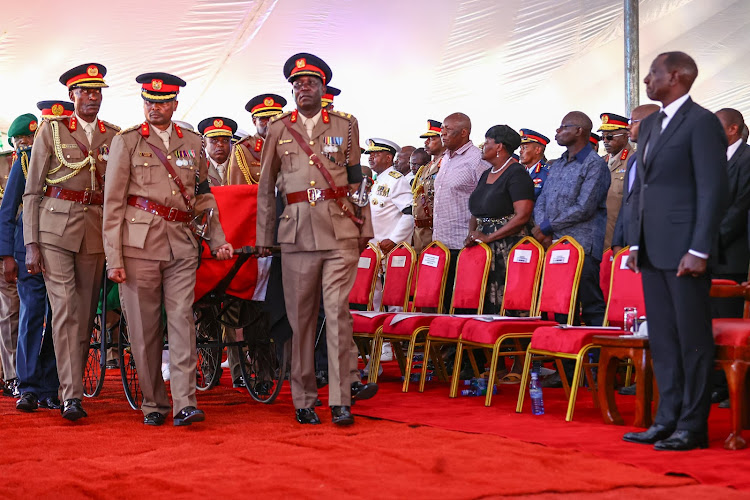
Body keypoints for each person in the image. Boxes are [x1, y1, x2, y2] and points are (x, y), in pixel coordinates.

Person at [103, 72, 233, 427]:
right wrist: (113, 257)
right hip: (137, 245)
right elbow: (113, 204)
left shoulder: (192, 141)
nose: (154, 108)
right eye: (148, 101)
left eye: (161, 102)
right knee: (145, 330)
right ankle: (153, 404)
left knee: (182, 320)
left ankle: (185, 402)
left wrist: (217, 239)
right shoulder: (126, 142)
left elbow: (204, 196)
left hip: (181, 242)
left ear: (175, 104)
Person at [256, 53, 373, 426]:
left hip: (339, 230)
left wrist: (364, 230)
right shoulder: (277, 128)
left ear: (323, 89)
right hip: (295, 235)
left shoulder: (346, 125)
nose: (303, 88)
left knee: (337, 314)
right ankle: (304, 398)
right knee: (301, 319)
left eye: (311, 83)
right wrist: (264, 236)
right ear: (291, 90)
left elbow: (357, 181)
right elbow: (264, 189)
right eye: (297, 83)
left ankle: (341, 400)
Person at [623, 51, 728, 451]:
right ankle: (665, 420)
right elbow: (642, 189)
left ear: (678, 76)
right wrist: (636, 242)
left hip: (686, 249)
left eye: (654, 74)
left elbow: (713, 189)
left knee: (692, 339)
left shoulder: (701, 122)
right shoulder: (650, 125)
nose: (647, 80)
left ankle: (692, 426)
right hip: (652, 247)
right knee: (663, 339)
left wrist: (700, 248)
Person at [23, 63, 119, 421]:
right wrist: (31, 242)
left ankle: (70, 388)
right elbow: (32, 191)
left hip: (93, 230)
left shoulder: (114, 135)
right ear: (72, 96)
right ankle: (71, 397)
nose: (92, 97)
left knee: (82, 315)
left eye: (97, 92)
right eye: (85, 92)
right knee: (64, 310)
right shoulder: (54, 131)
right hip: (54, 229)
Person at [1, 104, 71, 411]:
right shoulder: (26, 160)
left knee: (59, 318)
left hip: (63, 248)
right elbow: (7, 210)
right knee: (31, 315)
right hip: (26, 249)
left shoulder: (74, 161)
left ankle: (49, 386)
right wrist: (5, 255)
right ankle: (27, 386)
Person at [532, 111, 610, 327]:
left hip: (582, 245)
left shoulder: (594, 164)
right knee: (559, 305)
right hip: (555, 244)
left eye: (564, 127)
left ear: (579, 131)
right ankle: (564, 360)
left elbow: (584, 207)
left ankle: (596, 357)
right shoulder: (557, 164)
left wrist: (547, 226)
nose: (558, 131)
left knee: (589, 302)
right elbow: (542, 200)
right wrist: (542, 229)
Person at [465, 125, 534, 313]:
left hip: (506, 246)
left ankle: (507, 339)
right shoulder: (487, 174)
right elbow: (476, 209)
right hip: (482, 246)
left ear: (499, 147)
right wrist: (472, 233)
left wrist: (490, 237)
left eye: (487, 142)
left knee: (504, 298)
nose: (483, 146)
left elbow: (523, 215)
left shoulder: (516, 174)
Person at [433, 112, 491, 307]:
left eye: (448, 130)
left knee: (461, 302)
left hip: (462, 243)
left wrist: (475, 232)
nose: (442, 133)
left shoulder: (477, 159)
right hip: (440, 242)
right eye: (442, 129)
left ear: (464, 132)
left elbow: (485, 199)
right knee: (439, 299)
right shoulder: (446, 158)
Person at [0, 115, 32, 397]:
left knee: (27, 313)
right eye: (22, 142)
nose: (27, 147)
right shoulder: (5, 164)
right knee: (10, 313)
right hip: (8, 250)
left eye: (30, 141)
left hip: (29, 246)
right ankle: (12, 375)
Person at [711, 108, 750, 319]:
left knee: (726, 320)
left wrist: (708, 243)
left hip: (730, 258)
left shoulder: (747, 159)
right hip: (705, 258)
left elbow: (739, 208)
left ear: (733, 129)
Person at [611, 104, 660, 256]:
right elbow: (626, 202)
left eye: (633, 122)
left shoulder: (664, 156)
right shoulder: (633, 160)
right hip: (628, 241)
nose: (628, 127)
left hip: (653, 242)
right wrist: (618, 241)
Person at [366, 138, 414, 256]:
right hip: (373, 248)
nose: (371, 158)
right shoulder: (379, 180)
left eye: (376, 154)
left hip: (387, 250)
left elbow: (410, 213)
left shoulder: (395, 180)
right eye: (370, 154)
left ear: (388, 158)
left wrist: (394, 240)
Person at [227, 93, 286, 185]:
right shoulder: (243, 149)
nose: (270, 123)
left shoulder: (294, 143)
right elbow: (239, 191)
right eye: (264, 119)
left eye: (274, 117)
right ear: (254, 122)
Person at [598, 113, 634, 250]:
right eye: (603, 137)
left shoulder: (633, 161)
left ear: (626, 136)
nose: (605, 141)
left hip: (621, 239)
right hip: (599, 238)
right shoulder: (601, 162)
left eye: (610, 136)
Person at [412, 120, 444, 254]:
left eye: (432, 139)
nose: (426, 142)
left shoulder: (446, 165)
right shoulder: (425, 168)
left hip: (436, 230)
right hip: (421, 232)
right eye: (426, 139)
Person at [198, 117, 237, 187]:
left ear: (231, 143)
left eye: (225, 140)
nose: (220, 144)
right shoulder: (198, 169)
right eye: (214, 141)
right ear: (205, 143)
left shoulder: (240, 168)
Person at [518, 128, 550, 200]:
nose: (520, 151)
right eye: (521, 148)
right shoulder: (520, 173)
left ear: (537, 150)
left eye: (525, 148)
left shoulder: (548, 173)